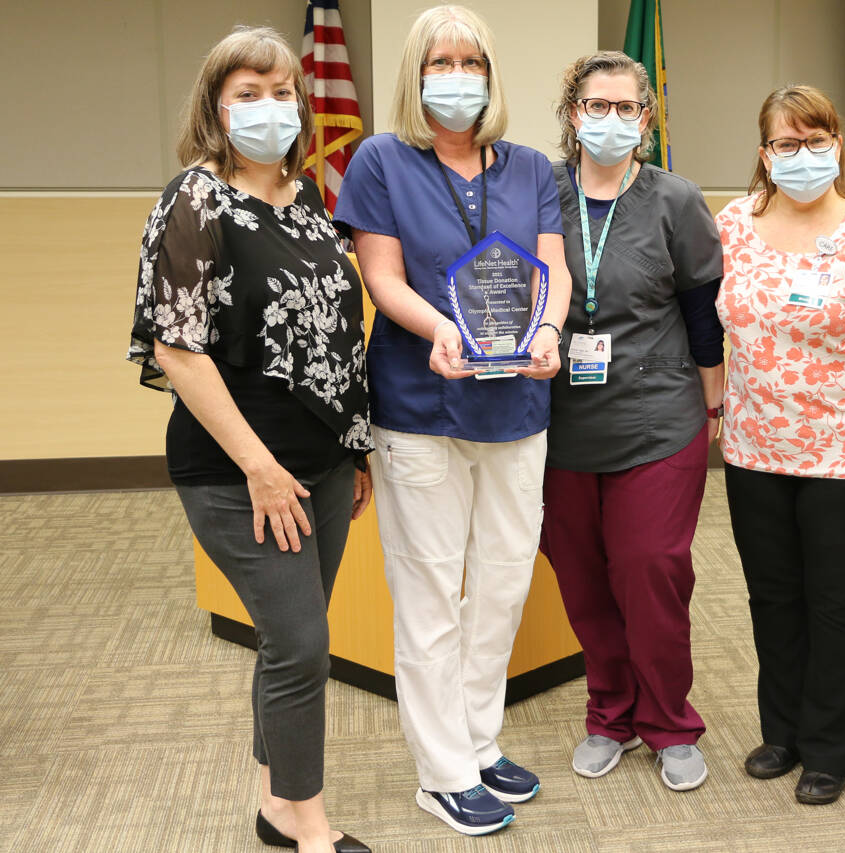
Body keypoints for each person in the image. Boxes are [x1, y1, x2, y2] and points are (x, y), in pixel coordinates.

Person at [126, 27, 373, 853]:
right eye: (248, 93)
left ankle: (274, 799)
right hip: (240, 471)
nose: (270, 107)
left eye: (282, 92)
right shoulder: (193, 198)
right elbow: (175, 348)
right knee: (302, 645)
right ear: (214, 106)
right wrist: (261, 468)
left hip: (325, 463)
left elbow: (337, 334)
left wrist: (355, 445)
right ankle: (308, 822)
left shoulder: (305, 201)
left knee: (286, 642)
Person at [332, 5, 570, 837]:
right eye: (442, 60)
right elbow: (382, 278)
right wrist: (438, 329)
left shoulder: (535, 166)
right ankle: (441, 772)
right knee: (431, 593)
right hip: (422, 406)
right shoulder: (379, 161)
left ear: (491, 74)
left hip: (518, 407)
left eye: (472, 60)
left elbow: (554, 270)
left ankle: (477, 738)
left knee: (503, 585)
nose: (458, 75)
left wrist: (546, 329)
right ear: (416, 73)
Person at [715, 85, 845, 805]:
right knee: (773, 598)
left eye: (815, 140)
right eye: (786, 143)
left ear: (837, 143)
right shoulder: (733, 224)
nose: (802, 155)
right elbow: (714, 322)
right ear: (764, 153)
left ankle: (831, 748)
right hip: (753, 449)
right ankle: (785, 732)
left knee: (841, 604)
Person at [540, 51, 724, 792]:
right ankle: (609, 712)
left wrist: (713, 406)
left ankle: (669, 720)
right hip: (558, 424)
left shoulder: (674, 199)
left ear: (645, 120)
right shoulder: (538, 192)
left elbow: (702, 315)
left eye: (626, 108)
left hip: (657, 416)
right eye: (596, 105)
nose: (610, 120)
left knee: (651, 570)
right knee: (582, 579)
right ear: (571, 112)